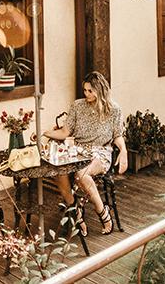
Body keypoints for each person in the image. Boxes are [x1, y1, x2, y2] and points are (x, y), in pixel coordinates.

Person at [43, 71, 127, 235]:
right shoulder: (77, 106)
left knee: (81, 175)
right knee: (58, 170)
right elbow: (65, 132)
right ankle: (76, 212)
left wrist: (123, 151)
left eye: (90, 91)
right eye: (85, 90)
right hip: (77, 150)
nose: (87, 94)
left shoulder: (114, 110)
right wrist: (46, 133)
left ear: (100, 90)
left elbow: (117, 135)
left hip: (100, 152)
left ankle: (102, 212)